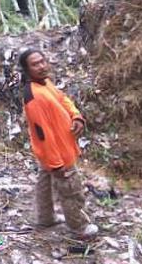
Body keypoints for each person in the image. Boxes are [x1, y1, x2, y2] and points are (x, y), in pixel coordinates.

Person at [18, 48, 98, 240]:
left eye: (42, 61)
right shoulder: (33, 97)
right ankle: (79, 227)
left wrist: (76, 116)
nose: (42, 66)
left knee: (44, 182)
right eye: (35, 64)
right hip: (57, 152)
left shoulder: (45, 83)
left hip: (56, 150)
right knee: (70, 189)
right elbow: (42, 134)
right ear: (26, 70)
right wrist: (56, 163)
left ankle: (45, 218)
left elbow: (63, 99)